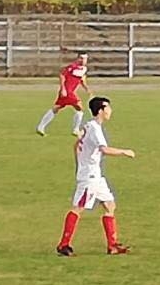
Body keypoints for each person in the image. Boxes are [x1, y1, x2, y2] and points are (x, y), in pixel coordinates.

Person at [56, 96, 135, 256]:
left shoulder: (89, 126)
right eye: (108, 108)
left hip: (96, 176)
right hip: (90, 177)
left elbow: (77, 145)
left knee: (110, 205)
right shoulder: (95, 129)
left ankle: (112, 245)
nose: (110, 111)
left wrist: (82, 162)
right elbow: (103, 149)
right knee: (78, 207)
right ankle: (64, 244)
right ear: (101, 110)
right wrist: (124, 151)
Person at [36, 52, 89, 136]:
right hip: (67, 91)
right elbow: (62, 76)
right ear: (78, 58)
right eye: (81, 58)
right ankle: (76, 129)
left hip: (70, 92)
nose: (83, 60)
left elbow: (82, 80)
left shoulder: (84, 69)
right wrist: (63, 89)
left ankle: (41, 127)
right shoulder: (72, 67)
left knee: (56, 108)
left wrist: (87, 89)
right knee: (80, 108)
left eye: (85, 58)